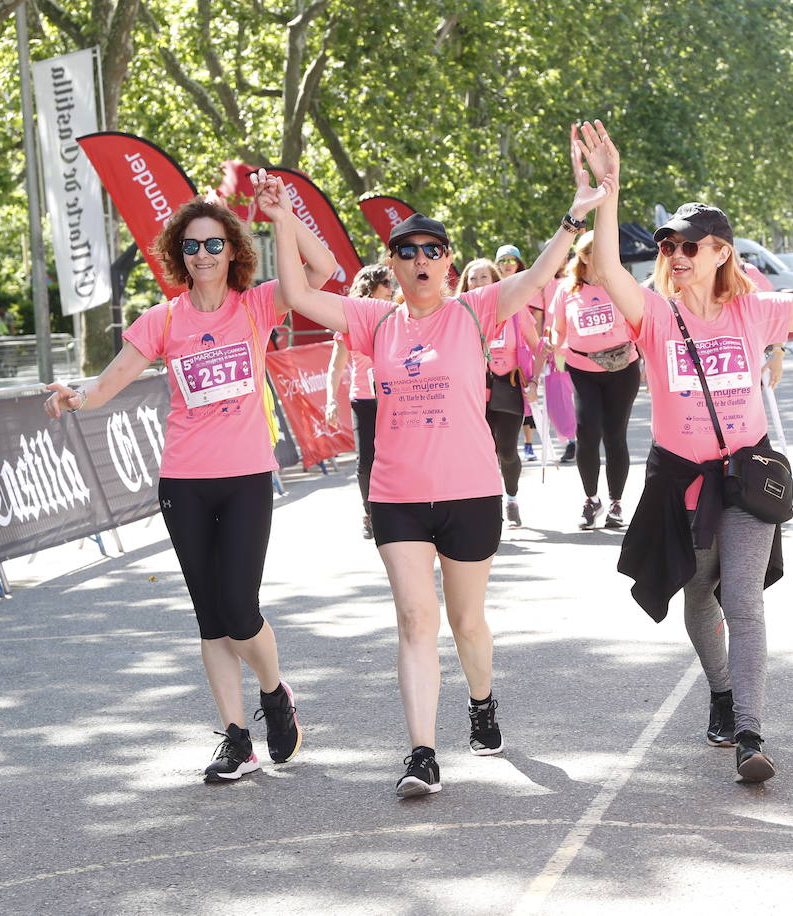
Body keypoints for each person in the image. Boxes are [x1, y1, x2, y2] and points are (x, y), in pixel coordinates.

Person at [257, 141, 609, 796]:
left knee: (466, 622)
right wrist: (282, 218)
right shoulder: (375, 321)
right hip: (397, 497)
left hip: (471, 493)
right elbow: (298, 291)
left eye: (433, 250)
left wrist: (575, 216)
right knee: (417, 621)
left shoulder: (474, 311)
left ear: (448, 264)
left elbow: (538, 274)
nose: (421, 260)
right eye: (407, 251)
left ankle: (481, 703)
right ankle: (422, 753)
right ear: (390, 264)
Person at [578, 119, 793, 784]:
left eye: (690, 244)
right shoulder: (656, 316)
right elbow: (606, 267)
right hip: (681, 480)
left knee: (743, 599)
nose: (676, 253)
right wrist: (610, 188)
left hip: (746, 478)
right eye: (669, 244)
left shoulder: (755, 313)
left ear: (721, 251)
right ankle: (720, 689)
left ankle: (750, 731)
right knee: (699, 597)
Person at [43, 197, 336, 784]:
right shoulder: (165, 320)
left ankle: (275, 695)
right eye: (192, 246)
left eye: (214, 244)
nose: (203, 255)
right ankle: (236, 739)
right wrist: (76, 394)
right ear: (181, 254)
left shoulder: (256, 305)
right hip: (184, 483)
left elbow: (322, 270)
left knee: (238, 607)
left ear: (233, 251)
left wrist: (284, 219)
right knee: (209, 618)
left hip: (246, 476)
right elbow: (109, 382)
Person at [550, 230, 640, 530]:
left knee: (616, 436)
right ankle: (591, 499)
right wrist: (551, 344)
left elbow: (640, 322)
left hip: (622, 368)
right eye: (598, 253)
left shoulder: (621, 283)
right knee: (587, 433)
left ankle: (615, 503)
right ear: (585, 256)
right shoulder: (567, 289)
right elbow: (558, 329)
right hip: (582, 368)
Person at [458, 258, 542, 528]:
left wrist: (535, 381)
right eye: (473, 278)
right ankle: (487, 504)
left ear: (495, 282)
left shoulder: (515, 310)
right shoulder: (457, 313)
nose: (478, 282)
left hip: (508, 386)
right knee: (479, 451)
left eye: (484, 277)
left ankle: (512, 497)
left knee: (506, 450)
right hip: (473, 390)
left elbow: (537, 346)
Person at [326, 264, 395, 539]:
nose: (392, 289)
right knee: (367, 461)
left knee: (398, 457)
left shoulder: (398, 315)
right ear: (372, 286)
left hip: (395, 397)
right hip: (364, 399)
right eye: (387, 283)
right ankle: (370, 513)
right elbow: (336, 366)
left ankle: (400, 509)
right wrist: (331, 400)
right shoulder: (350, 320)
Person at [495, 244, 547, 461]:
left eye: (511, 260)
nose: (507, 265)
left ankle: (527, 443)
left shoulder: (529, 286)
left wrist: (540, 352)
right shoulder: (492, 290)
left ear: (518, 263)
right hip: (494, 365)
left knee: (525, 405)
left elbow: (536, 323)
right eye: (503, 260)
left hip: (521, 354)